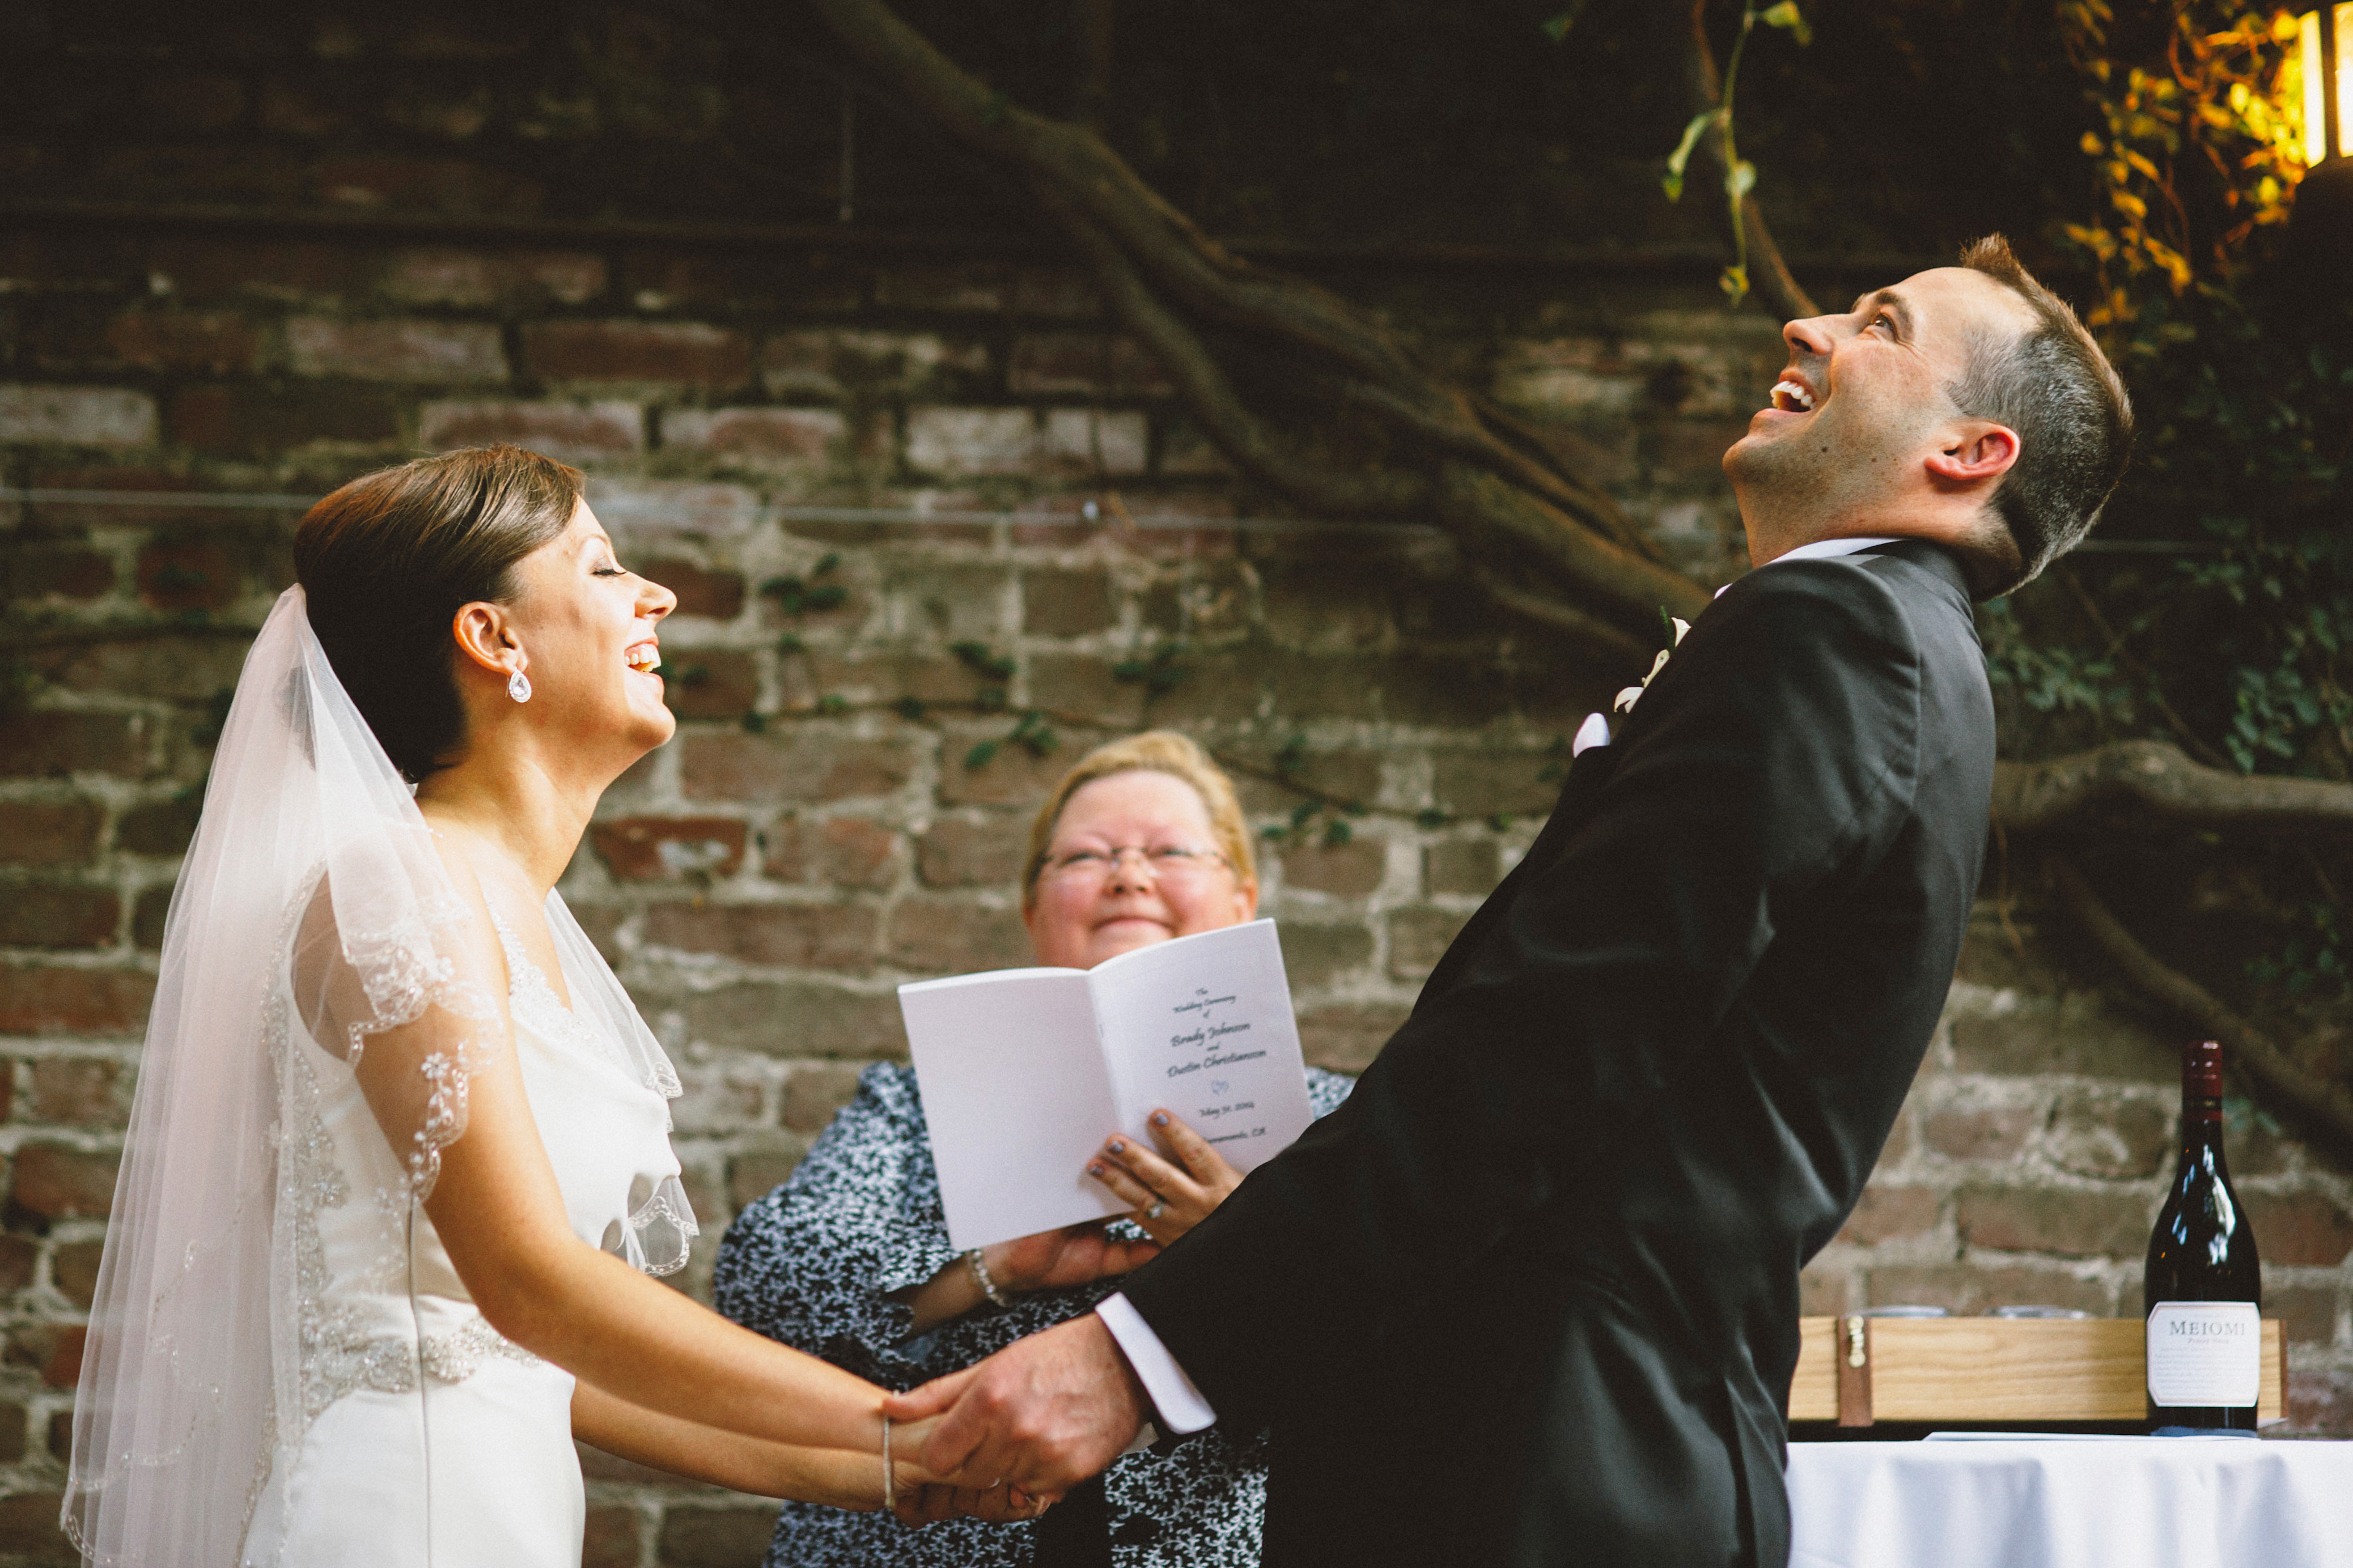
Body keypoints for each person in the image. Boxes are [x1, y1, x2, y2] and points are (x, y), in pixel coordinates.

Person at [883, 236, 2136, 1567]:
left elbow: (1542, 1048)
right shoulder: (1900, 655)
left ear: (1969, 453)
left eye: (1882, 324)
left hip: (1548, 1467)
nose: (1809, 326)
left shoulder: (1838, 634)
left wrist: (1139, 1354)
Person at [63, 445, 1016, 1568]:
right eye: (604, 566)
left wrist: (890, 1472)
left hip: (496, 1512)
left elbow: (531, 1359)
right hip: (397, 1517)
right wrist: (904, 1413)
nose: (655, 595)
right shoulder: (395, 886)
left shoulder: (499, 905)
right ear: (494, 636)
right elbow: (529, 1282)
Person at [714, 731, 1355, 1567]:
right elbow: (758, 1284)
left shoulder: (1339, 1122)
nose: (1129, 874)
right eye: (1086, 857)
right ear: (1032, 911)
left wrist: (1249, 1247)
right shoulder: (913, 1101)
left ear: (1241, 900)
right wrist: (990, 1266)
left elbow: (1433, 1364)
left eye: (1169, 851)